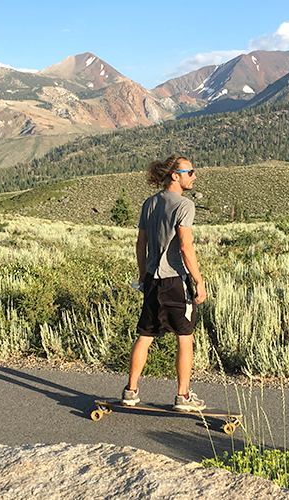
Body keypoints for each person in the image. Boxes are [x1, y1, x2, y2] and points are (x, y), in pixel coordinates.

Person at [122, 154, 208, 412]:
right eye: (190, 171)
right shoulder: (184, 205)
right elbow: (185, 245)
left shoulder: (149, 203)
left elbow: (141, 244)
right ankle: (183, 396)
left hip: (152, 280)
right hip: (174, 280)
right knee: (185, 336)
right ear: (175, 176)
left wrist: (142, 274)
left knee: (145, 335)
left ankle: (131, 390)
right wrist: (199, 281)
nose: (194, 176)